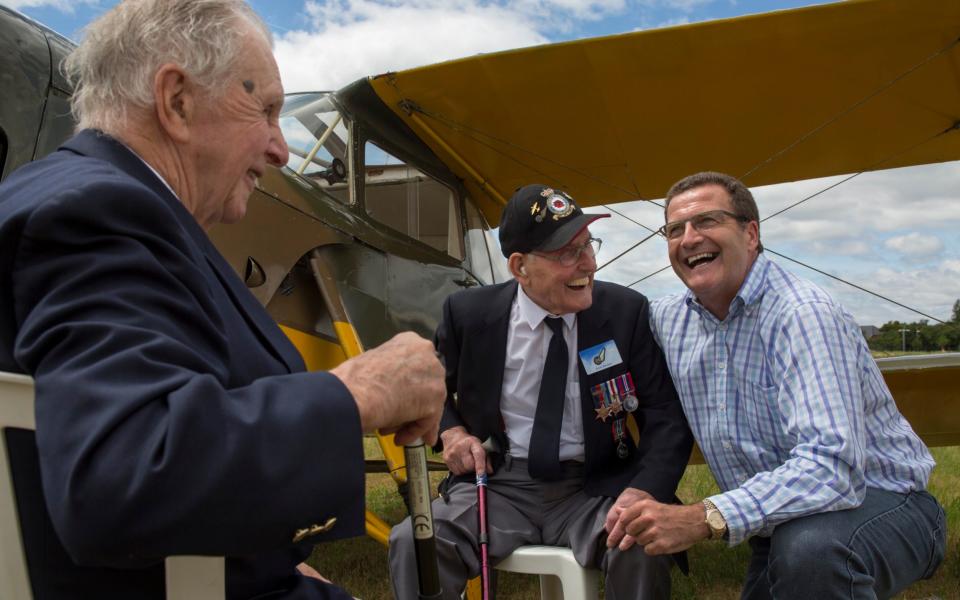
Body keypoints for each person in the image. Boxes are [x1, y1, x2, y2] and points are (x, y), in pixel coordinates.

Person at [0, 1, 445, 598]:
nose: (280, 150)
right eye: (264, 110)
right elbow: (126, 472)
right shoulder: (101, 213)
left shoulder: (73, 197)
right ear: (177, 101)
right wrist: (360, 392)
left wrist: (267, 554)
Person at [606, 171, 946, 599]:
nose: (689, 238)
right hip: (784, 525)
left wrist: (702, 517)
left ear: (751, 234)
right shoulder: (668, 320)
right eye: (675, 229)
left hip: (883, 502)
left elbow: (833, 470)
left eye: (708, 221)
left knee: (813, 555)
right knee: (801, 551)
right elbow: (591, 333)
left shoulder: (804, 315)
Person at [388, 184, 694, 599]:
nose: (589, 264)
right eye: (568, 254)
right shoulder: (469, 314)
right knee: (414, 542)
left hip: (594, 488)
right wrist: (452, 433)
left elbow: (665, 415)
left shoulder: (625, 311)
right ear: (520, 267)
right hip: (500, 485)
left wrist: (642, 491)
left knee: (640, 539)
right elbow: (430, 388)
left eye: (588, 245)